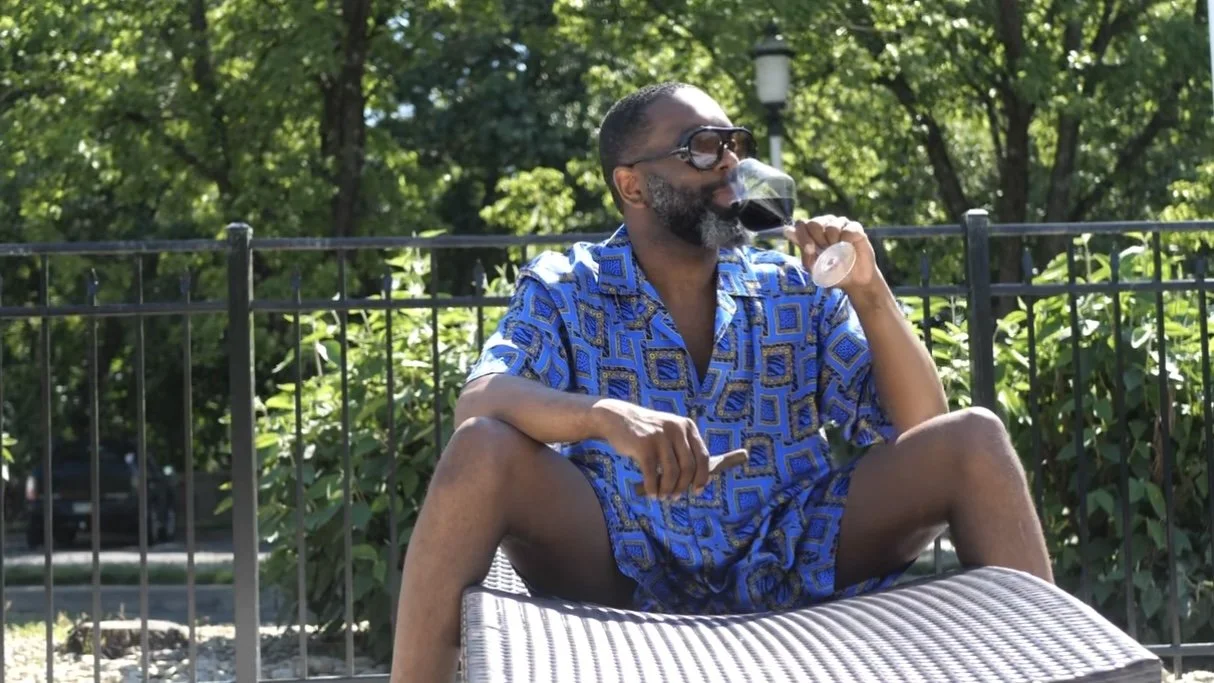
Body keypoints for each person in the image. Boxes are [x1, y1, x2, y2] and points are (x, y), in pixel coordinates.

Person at [389, 81, 1053, 682]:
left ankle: (1067, 670)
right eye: (701, 148)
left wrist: (869, 292)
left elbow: (920, 433)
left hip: (794, 552)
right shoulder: (569, 285)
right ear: (633, 184)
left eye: (736, 144)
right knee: (481, 448)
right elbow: (480, 398)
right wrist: (606, 416)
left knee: (975, 440)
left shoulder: (792, 288)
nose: (730, 162)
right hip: (622, 562)